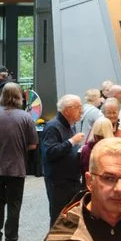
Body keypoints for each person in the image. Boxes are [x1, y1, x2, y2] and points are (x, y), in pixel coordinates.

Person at [0, 80, 40, 241]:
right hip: (17, 167)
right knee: (14, 204)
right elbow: (33, 145)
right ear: (18, 97)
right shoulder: (26, 117)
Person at [40, 94, 88, 223]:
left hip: (71, 180)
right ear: (67, 110)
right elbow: (50, 152)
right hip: (58, 182)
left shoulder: (70, 125)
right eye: (78, 107)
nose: (81, 111)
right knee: (59, 217)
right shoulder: (53, 126)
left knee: (72, 216)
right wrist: (72, 141)